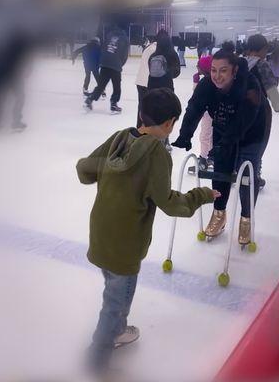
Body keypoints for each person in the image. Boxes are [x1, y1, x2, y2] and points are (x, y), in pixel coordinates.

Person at [76, 88, 218, 377]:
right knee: (115, 302)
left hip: (101, 233)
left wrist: (111, 170)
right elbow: (168, 202)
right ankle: (97, 356)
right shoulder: (157, 154)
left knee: (113, 287)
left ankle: (115, 330)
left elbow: (84, 170)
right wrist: (202, 194)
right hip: (126, 244)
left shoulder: (120, 137)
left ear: (141, 114)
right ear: (170, 124)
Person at [172, 49, 268, 244]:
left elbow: (244, 119)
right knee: (220, 171)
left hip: (255, 128)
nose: (217, 76)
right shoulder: (207, 84)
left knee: (247, 175)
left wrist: (226, 143)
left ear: (234, 71)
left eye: (223, 70)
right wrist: (185, 134)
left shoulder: (249, 85)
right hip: (223, 126)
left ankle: (246, 219)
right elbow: (194, 107)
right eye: (214, 70)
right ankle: (219, 213)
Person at [245, 34, 279, 188]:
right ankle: (254, 174)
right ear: (262, 49)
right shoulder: (262, 64)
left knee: (241, 140)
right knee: (258, 142)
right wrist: (278, 104)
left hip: (239, 109)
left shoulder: (240, 62)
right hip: (259, 110)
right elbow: (270, 87)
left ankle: (238, 169)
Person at [84, 22, 129, 114]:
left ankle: (90, 99)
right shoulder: (125, 38)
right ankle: (113, 104)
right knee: (116, 86)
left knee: (101, 85)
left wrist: (103, 60)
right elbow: (124, 55)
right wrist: (120, 64)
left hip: (104, 63)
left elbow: (103, 48)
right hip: (115, 64)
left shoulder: (109, 35)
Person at [147, 34, 181, 152]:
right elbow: (177, 72)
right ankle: (165, 141)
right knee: (167, 115)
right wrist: (168, 73)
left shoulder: (152, 55)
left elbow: (149, 69)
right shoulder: (172, 55)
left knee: (153, 115)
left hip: (151, 88)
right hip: (166, 88)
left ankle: (152, 140)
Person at [135, 29, 168, 128]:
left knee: (142, 107)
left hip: (140, 81)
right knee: (152, 109)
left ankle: (140, 129)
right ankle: (149, 132)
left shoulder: (149, 47)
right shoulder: (158, 50)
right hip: (149, 82)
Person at [192, 55, 213, 170]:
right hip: (213, 111)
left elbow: (197, 95)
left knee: (205, 135)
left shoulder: (205, 82)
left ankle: (203, 159)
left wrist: (195, 81)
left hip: (207, 112)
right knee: (211, 135)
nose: (196, 67)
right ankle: (211, 156)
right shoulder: (214, 79)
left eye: (198, 66)